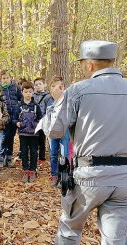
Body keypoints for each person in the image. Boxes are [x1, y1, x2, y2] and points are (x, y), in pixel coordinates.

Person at [44, 40, 127, 244]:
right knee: (116, 238)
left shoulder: (78, 90)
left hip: (88, 177)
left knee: (69, 232)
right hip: (124, 177)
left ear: (89, 64)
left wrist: (53, 109)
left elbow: (55, 131)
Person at [14, 81, 42, 183]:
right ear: (22, 92)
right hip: (23, 133)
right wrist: (17, 123)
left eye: (30, 92)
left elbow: (40, 118)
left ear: (33, 92)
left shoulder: (36, 106)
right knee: (24, 151)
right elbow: (14, 118)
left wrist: (36, 124)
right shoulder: (19, 106)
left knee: (34, 152)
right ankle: (26, 170)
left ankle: (33, 170)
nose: (28, 94)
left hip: (34, 134)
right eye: (26, 92)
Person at [47, 76, 70, 186]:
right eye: (53, 86)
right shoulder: (49, 102)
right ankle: (54, 175)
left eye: (59, 86)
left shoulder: (68, 101)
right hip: (52, 134)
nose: (56, 89)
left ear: (63, 87)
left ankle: (64, 176)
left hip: (64, 132)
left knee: (65, 154)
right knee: (53, 155)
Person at [0, 70, 22, 167]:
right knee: (4, 136)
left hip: (14, 116)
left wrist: (18, 107)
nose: (5, 80)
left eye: (7, 78)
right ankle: (1, 157)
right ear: (1, 79)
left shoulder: (16, 88)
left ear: (10, 78)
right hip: (4, 116)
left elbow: (21, 98)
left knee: (11, 136)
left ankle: (8, 157)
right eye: (3, 78)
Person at [33, 77, 53, 166]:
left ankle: (42, 158)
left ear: (44, 85)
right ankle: (34, 157)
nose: (38, 86)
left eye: (40, 84)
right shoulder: (32, 95)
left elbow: (49, 109)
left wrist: (44, 119)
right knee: (34, 140)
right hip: (33, 122)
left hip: (43, 122)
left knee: (42, 140)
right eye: (36, 85)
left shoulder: (48, 96)